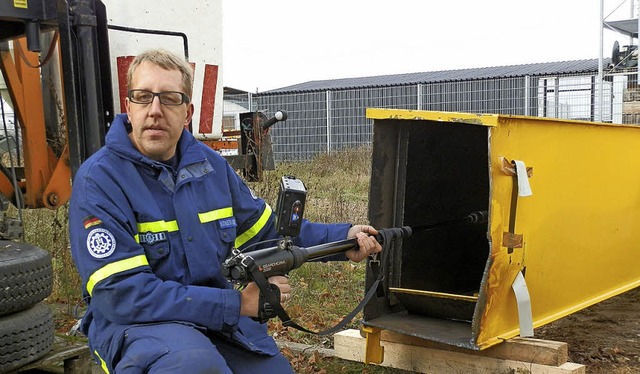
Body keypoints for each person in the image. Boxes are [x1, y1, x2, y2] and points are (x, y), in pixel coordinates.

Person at [69, 49, 382, 374]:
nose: (155, 110)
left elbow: (267, 233)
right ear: (129, 106)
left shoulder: (211, 168)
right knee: (196, 366)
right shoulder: (101, 181)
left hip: (212, 320)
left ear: (187, 112)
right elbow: (122, 294)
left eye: (170, 98)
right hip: (137, 326)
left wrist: (344, 238)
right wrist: (236, 304)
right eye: (144, 97)